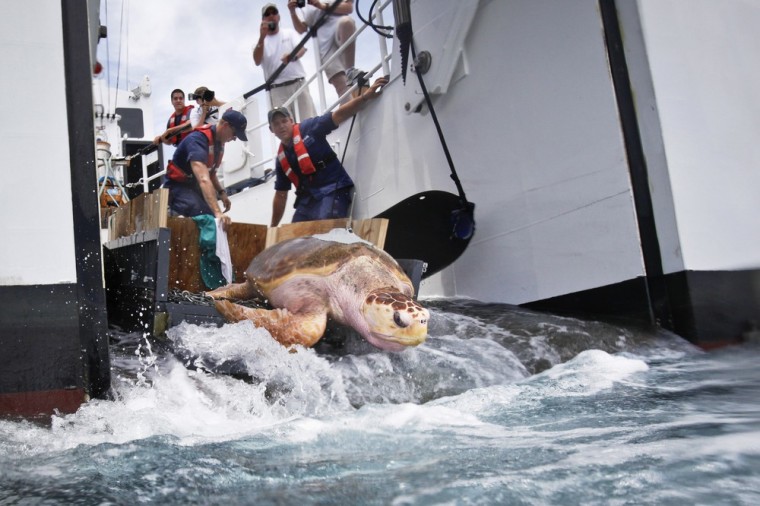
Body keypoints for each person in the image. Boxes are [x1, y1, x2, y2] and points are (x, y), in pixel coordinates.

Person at [268, 76, 388, 227]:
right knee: (294, 238)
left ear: (291, 121)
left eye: (284, 121)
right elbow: (281, 194)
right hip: (307, 200)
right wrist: (272, 227)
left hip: (332, 189)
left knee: (324, 229)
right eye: (276, 124)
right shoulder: (281, 159)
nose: (281, 126)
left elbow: (338, 115)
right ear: (271, 130)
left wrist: (364, 97)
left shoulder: (309, 127)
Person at [163, 109, 249, 230]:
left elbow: (211, 173)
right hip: (176, 188)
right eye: (235, 134)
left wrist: (222, 193)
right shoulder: (197, 140)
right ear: (225, 126)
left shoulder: (219, 143)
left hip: (193, 188)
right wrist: (218, 212)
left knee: (212, 217)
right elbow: (203, 179)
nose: (234, 139)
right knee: (208, 217)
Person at [253, 2, 317, 120]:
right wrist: (261, 37)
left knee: (308, 122)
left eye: (274, 12)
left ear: (278, 16)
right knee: (286, 129)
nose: (271, 15)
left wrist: (292, 56)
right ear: (263, 19)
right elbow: (257, 60)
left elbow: (301, 49)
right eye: (267, 14)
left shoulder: (289, 33)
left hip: (298, 84)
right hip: (277, 89)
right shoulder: (260, 43)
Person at [288, 0, 356, 99]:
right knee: (342, 87)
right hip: (324, 45)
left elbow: (348, 8)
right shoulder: (304, 5)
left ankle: (351, 71)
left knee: (346, 22)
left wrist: (322, 6)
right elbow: (301, 29)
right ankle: (352, 113)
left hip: (340, 30)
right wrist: (292, 12)